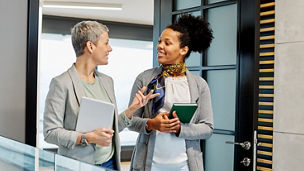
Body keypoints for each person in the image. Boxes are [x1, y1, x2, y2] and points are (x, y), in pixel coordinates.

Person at [43, 21, 158, 171]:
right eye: (106, 43)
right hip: (77, 166)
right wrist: (87, 138)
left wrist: (132, 109)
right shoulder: (61, 83)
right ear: (90, 46)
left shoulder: (107, 82)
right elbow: (50, 132)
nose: (110, 48)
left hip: (109, 163)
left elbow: (110, 128)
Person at [128, 14, 214, 171]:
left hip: (186, 167)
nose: (160, 46)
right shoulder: (145, 79)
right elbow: (129, 121)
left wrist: (180, 129)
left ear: (183, 50)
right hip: (148, 166)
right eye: (160, 41)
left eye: (167, 43)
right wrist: (151, 123)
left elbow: (207, 128)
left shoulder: (199, 85)